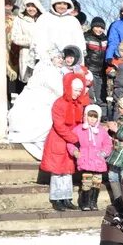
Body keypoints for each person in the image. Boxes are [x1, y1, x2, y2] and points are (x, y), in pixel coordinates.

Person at [7, 47, 65, 160]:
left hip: (39, 100)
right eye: (58, 57)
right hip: (37, 103)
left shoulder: (47, 70)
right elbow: (60, 91)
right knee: (44, 121)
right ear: (51, 58)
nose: (61, 60)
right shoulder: (49, 71)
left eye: (61, 58)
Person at [40, 73, 87, 210]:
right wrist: (74, 138)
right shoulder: (59, 103)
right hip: (59, 140)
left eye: (80, 91)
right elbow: (59, 125)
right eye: (76, 90)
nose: (78, 93)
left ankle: (66, 198)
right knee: (58, 172)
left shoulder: (78, 104)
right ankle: (56, 199)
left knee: (67, 172)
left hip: (70, 142)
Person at [67, 104, 112, 210]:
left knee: (97, 182)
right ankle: (85, 202)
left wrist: (104, 153)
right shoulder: (79, 129)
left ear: (98, 118)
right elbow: (70, 142)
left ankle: (93, 202)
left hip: (98, 162)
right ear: (85, 116)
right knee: (86, 182)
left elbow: (108, 144)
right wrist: (75, 152)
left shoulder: (101, 131)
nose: (92, 119)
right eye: (90, 116)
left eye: (95, 117)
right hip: (85, 161)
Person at [31, 0, 86, 65]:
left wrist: (79, 62)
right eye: (59, 3)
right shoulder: (44, 18)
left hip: (69, 62)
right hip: (47, 61)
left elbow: (80, 43)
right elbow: (38, 40)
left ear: (68, 5)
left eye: (64, 4)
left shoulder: (73, 21)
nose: (62, 6)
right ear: (54, 4)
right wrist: (46, 58)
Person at [10, 0, 45, 88]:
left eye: (33, 6)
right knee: (27, 84)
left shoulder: (44, 19)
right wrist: (32, 41)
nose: (31, 8)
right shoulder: (19, 20)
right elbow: (15, 37)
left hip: (42, 56)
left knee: (41, 83)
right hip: (26, 55)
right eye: (28, 6)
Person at [83, 17, 108, 105]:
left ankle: (102, 115)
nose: (99, 29)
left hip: (101, 71)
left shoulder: (105, 39)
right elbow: (83, 54)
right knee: (90, 94)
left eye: (101, 28)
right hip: (90, 70)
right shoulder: (86, 37)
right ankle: (89, 114)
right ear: (92, 27)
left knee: (101, 95)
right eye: (97, 27)